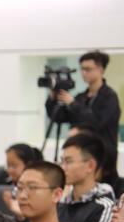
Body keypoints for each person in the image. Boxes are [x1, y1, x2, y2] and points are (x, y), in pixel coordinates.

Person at [45, 51, 121, 186]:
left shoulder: (109, 97)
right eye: (82, 69)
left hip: (103, 159)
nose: (84, 73)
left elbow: (98, 122)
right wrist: (52, 97)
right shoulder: (81, 97)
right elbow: (59, 117)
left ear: (101, 69)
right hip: (80, 156)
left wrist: (73, 104)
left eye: (88, 69)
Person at [58, 133, 115, 222]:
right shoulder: (61, 203)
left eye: (68, 161)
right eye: (62, 161)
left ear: (90, 166)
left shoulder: (105, 206)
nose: (63, 167)